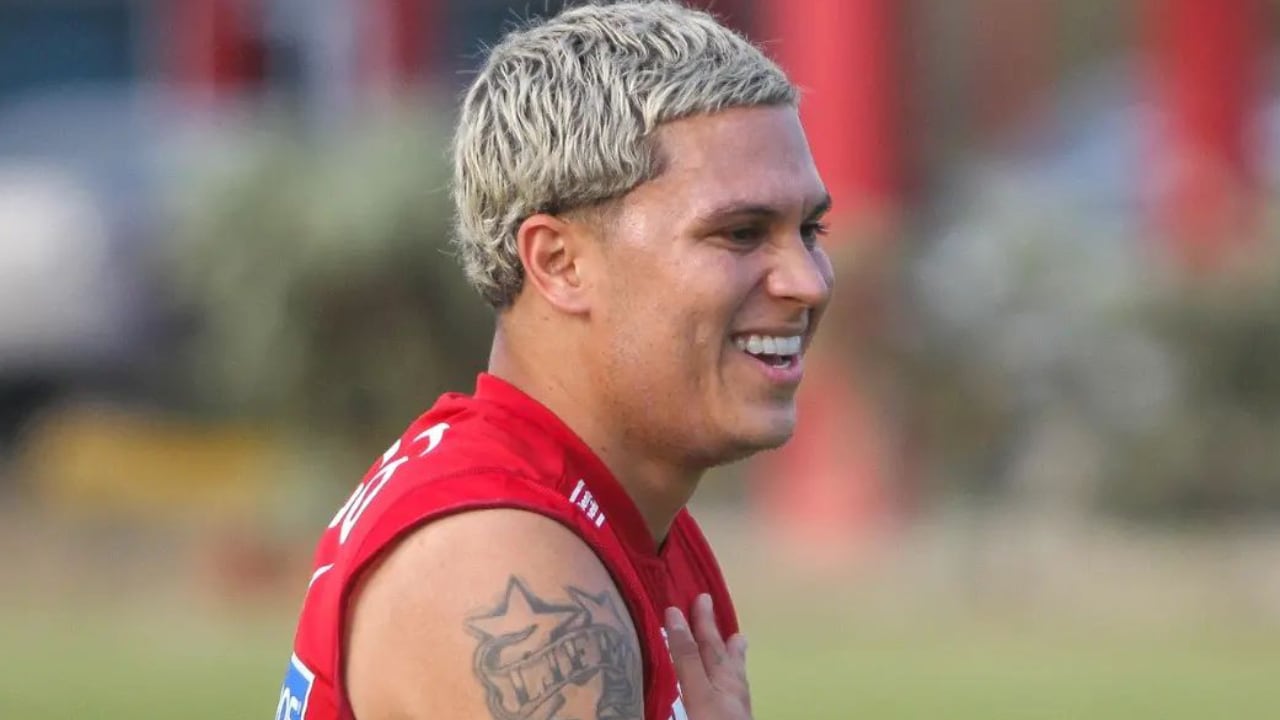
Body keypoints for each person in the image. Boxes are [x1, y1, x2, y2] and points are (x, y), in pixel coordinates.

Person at [276, 2, 833, 719]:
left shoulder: (621, 512)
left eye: (810, 229)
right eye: (740, 233)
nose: (809, 280)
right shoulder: (501, 565)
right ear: (561, 263)